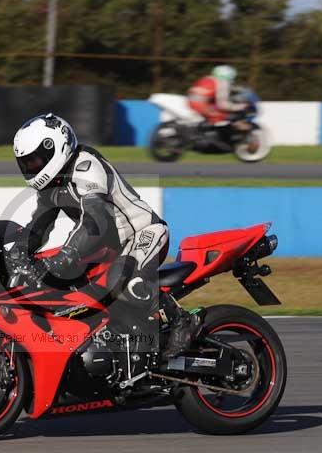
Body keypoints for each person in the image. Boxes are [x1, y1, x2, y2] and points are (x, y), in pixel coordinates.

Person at [12, 113, 196, 358]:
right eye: (26, 163)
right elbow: (39, 225)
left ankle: (182, 321)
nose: (31, 168)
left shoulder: (86, 166)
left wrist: (67, 254)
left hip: (143, 232)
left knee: (122, 279)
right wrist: (16, 252)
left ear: (55, 147)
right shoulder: (51, 186)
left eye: (35, 161)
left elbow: (95, 220)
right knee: (72, 289)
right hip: (107, 248)